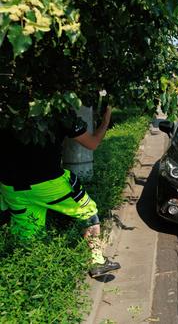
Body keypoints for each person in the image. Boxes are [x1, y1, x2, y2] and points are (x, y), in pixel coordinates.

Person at [0, 107, 120, 278]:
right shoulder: (59, 112)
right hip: (49, 185)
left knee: (28, 234)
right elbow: (93, 143)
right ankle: (97, 261)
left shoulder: (7, 107)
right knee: (88, 212)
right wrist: (106, 119)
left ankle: (28, 276)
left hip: (11, 187)